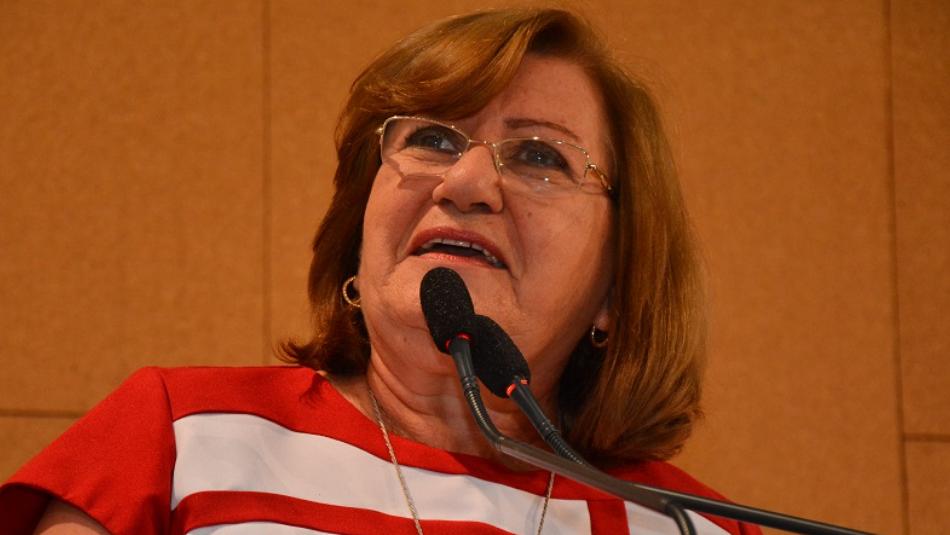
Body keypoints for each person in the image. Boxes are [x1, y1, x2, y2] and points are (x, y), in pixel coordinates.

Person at [1, 7, 760, 535]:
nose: (465, 182)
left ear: (615, 288)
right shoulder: (179, 439)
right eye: (432, 139)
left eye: (539, 155)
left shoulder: (690, 525)